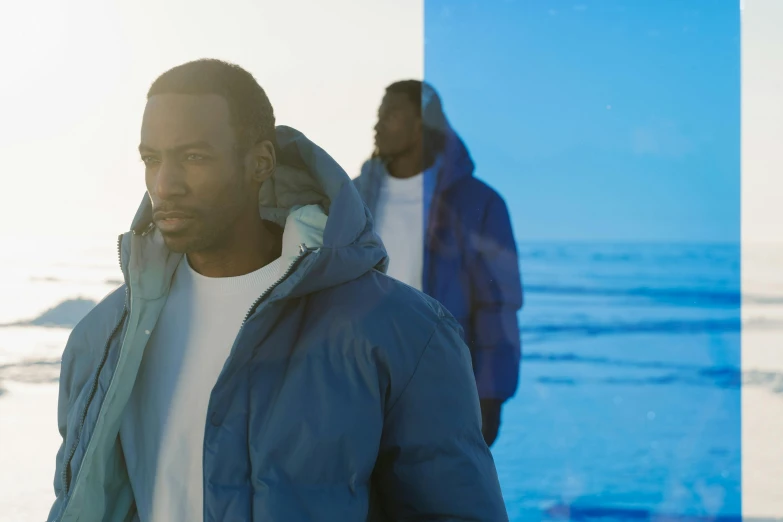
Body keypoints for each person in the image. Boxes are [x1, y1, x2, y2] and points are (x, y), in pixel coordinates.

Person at [46, 60, 508, 522]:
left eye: (194, 157)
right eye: (152, 159)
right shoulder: (103, 340)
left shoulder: (403, 333)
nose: (165, 185)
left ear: (260, 162)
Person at [355, 81, 523, 447]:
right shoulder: (352, 199)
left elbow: (498, 305)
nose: (378, 125)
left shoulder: (478, 204)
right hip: (362, 388)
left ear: (421, 124)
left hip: (440, 388)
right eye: (379, 114)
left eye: (392, 114)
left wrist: (489, 396)